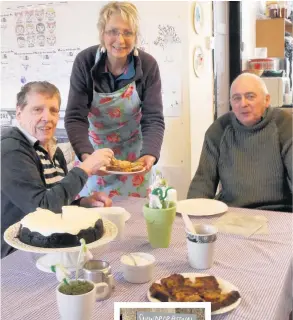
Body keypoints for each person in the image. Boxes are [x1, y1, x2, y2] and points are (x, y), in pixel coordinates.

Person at [1, 81, 114, 258]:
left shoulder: (54, 150)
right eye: (37, 109)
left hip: (48, 245)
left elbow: (54, 205)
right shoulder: (11, 149)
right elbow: (42, 208)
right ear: (19, 113)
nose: (48, 117)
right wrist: (85, 169)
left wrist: (82, 203)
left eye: (53, 110)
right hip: (14, 255)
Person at [64, 1, 165, 199]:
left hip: (134, 157)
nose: (120, 39)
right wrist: (88, 157)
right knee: (93, 217)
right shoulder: (84, 62)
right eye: (112, 31)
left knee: (135, 221)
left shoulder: (147, 65)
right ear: (102, 33)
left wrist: (150, 154)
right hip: (94, 152)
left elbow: (153, 118)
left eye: (128, 32)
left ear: (135, 36)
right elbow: (75, 117)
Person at [187, 73, 292, 212]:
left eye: (250, 96)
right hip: (231, 212)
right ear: (231, 103)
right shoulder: (219, 129)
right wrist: (191, 216)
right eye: (237, 98)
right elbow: (203, 181)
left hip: (278, 212)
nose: (243, 103)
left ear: (267, 100)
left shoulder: (284, 125)